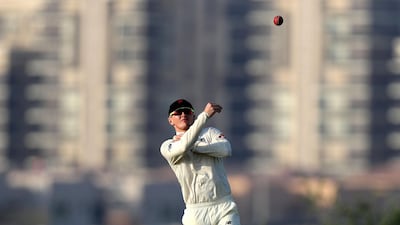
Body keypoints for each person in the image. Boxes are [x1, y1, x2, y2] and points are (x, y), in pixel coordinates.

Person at [160, 99, 241, 225]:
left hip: (223, 205)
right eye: (178, 112)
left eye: (187, 111)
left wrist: (195, 146)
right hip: (195, 212)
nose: (183, 115)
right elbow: (182, 147)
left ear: (194, 116)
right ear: (170, 120)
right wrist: (205, 115)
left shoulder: (210, 133)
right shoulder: (168, 146)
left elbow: (226, 149)